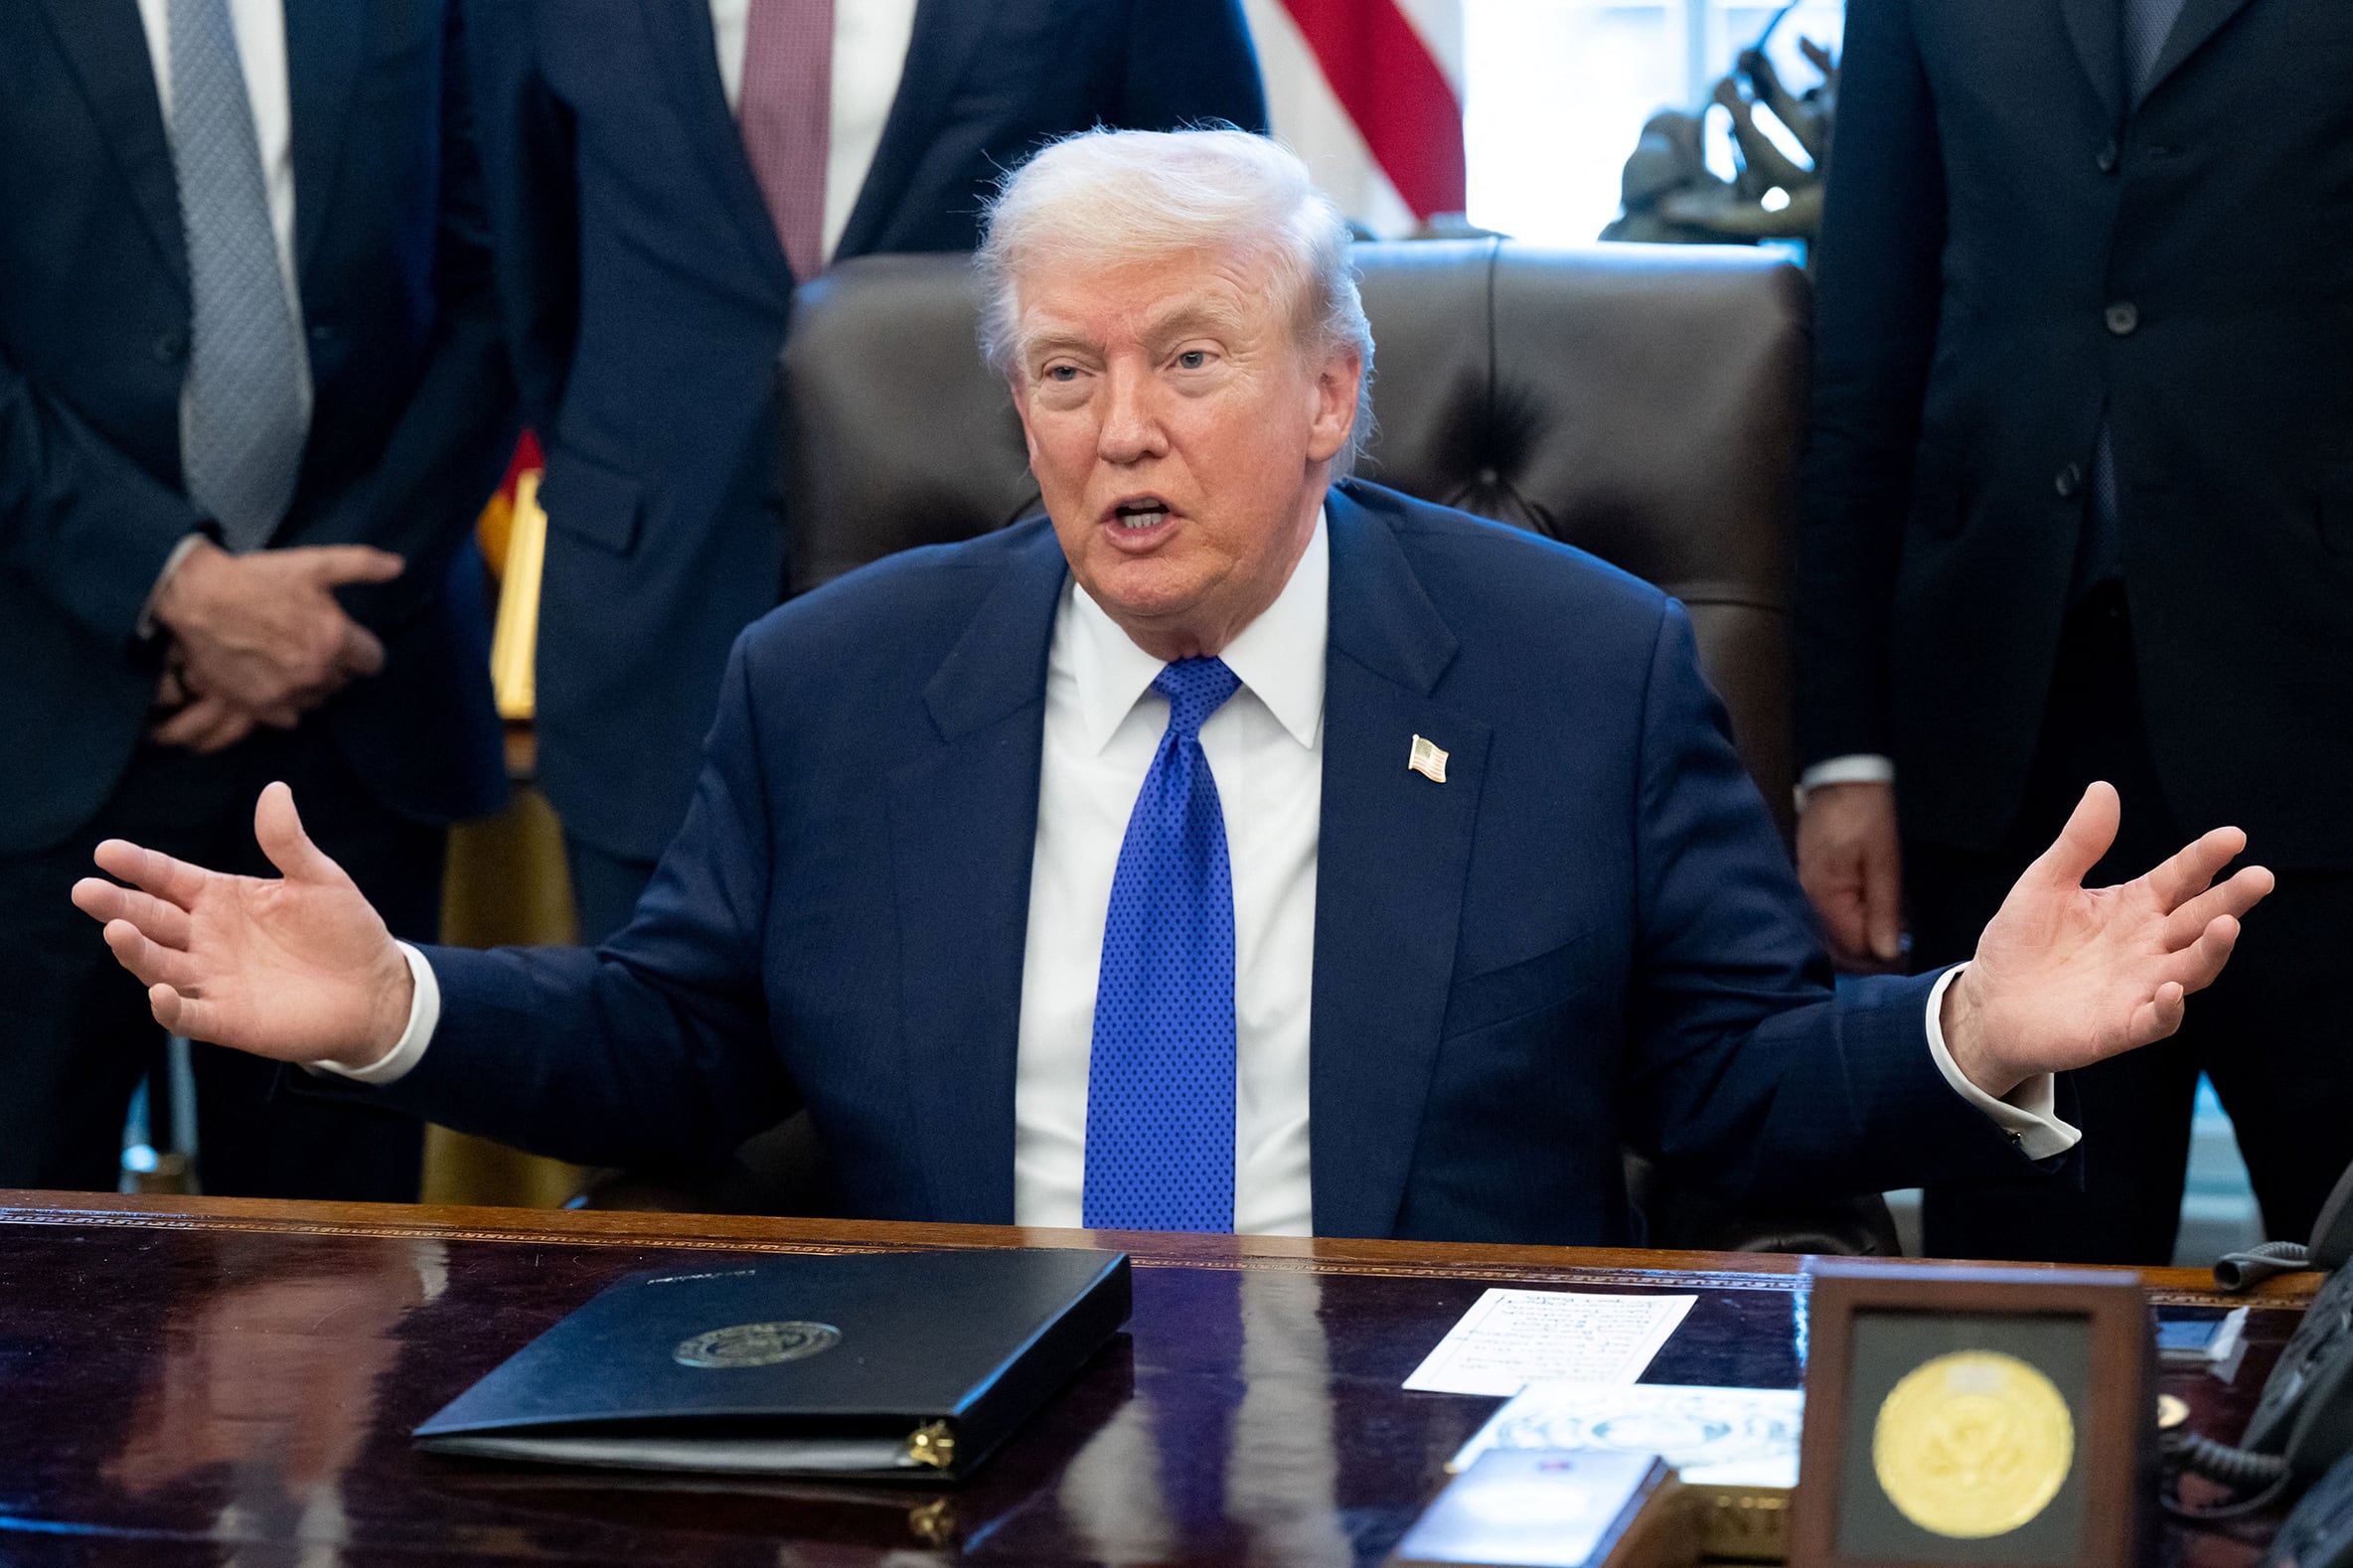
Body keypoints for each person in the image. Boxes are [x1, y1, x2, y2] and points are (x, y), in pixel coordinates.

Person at [75, 130, 2271, 1243]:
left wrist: (1976, 1026)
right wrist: (395, 1012)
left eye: (1187, 364)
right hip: (957, 1420)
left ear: (1329, 397)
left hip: (1425, 1439)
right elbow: (676, 1049)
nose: (1117, 430)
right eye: (1062, 374)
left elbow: (1714, 1097)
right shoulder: (835, 681)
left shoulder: (1567, 670)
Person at [468, 0, 1268, 943]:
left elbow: (1219, 253)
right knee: (654, 1058)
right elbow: (530, 271)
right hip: (653, 634)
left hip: (1007, 620)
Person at [1793, 0, 2353, 1263]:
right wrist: (1843, 752)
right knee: (2024, 1318)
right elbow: (1865, 346)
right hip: (2005, 733)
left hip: (2318, 702)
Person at [1, 0, 516, 1198]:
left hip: (356, 705)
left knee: (336, 1303)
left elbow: (503, 280)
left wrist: (314, 617)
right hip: (43, 700)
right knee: (33, 1290)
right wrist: (169, 582)